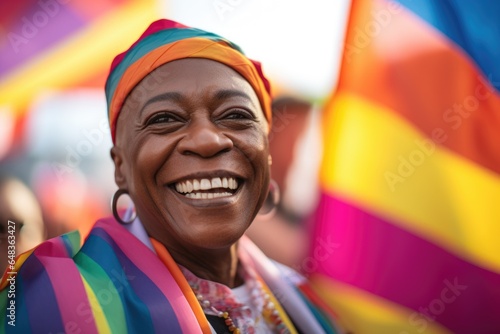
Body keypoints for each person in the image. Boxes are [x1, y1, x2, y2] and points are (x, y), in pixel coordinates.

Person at [0, 19, 343, 333]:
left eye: (236, 115)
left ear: (265, 153)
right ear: (120, 167)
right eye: (164, 119)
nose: (208, 140)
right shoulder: (46, 301)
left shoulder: (315, 309)